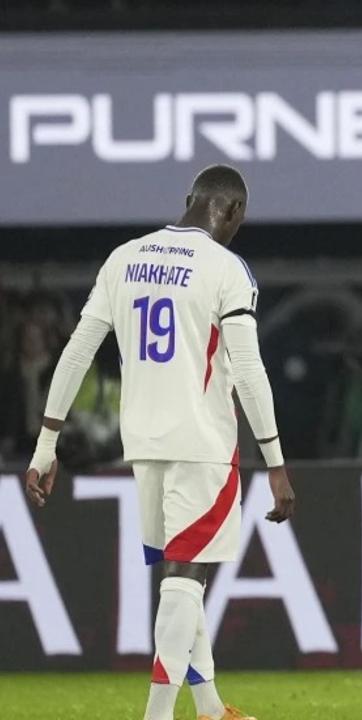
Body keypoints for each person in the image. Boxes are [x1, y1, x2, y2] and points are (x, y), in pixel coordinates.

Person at [23, 164, 294, 720]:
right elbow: (247, 367)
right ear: (235, 212)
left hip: (143, 443)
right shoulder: (226, 269)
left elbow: (75, 353)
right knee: (186, 579)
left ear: (190, 198)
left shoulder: (123, 258)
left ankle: (212, 708)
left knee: (179, 578)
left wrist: (44, 446)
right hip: (203, 442)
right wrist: (276, 460)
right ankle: (157, 716)